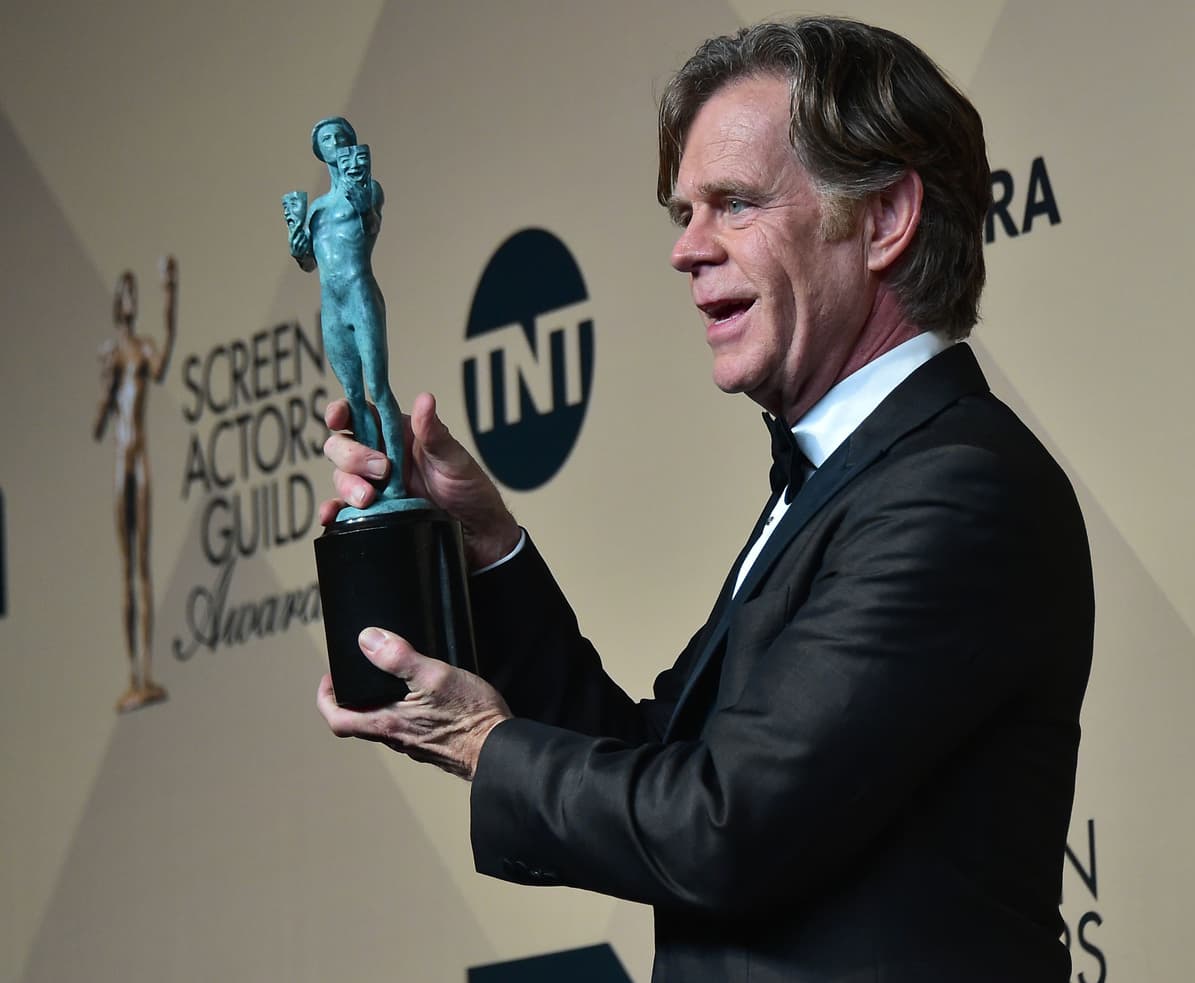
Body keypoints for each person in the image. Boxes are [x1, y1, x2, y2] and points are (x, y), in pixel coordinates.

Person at [317, 17, 1093, 982]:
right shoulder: (839, 476)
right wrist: (486, 544)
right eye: (684, 213)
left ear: (886, 218)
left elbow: (723, 825)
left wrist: (483, 742)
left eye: (734, 204)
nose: (686, 250)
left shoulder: (957, 487)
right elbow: (656, 761)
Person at [286, 117, 408, 503]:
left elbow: (370, 223)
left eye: (341, 136)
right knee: (353, 395)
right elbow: (309, 262)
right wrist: (298, 245)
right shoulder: (316, 209)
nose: (335, 142)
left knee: (379, 388)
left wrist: (361, 203)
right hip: (332, 305)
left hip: (360, 293)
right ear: (320, 152)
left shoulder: (368, 189)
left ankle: (397, 479)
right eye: (327, 139)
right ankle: (372, 482)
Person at [93, 258, 177, 713]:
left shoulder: (144, 350)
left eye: (133, 295)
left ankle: (146, 672)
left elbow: (162, 365)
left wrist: (170, 297)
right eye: (124, 295)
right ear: (116, 303)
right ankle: (132, 675)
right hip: (119, 464)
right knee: (127, 570)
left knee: (142, 568)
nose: (129, 302)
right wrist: (106, 384)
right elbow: (98, 423)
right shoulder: (112, 355)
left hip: (139, 461)